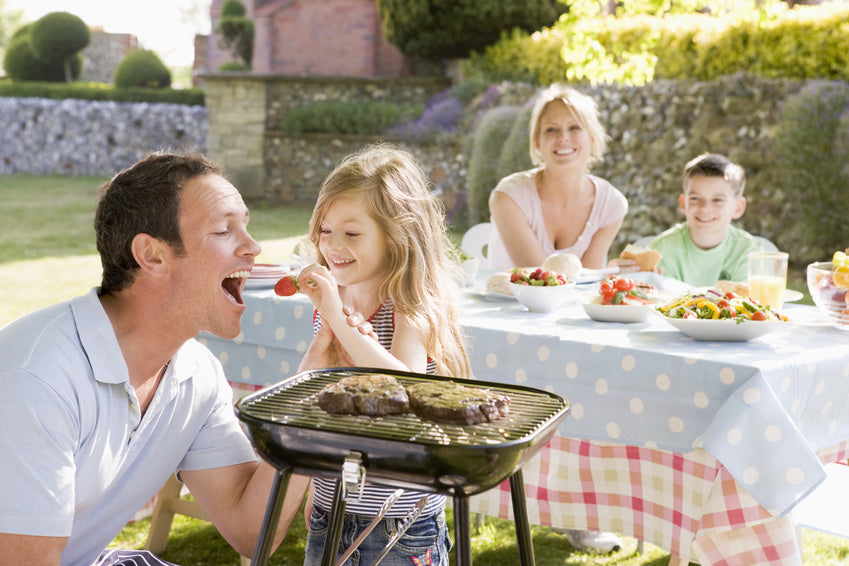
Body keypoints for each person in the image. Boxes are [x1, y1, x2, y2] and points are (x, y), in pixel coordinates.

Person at [0, 151, 373, 566]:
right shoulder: (36, 379)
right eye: (224, 231)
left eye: (245, 227)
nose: (253, 248)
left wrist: (315, 389)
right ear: (153, 256)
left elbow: (253, 531)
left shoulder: (195, 373)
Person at [294, 144, 472, 566]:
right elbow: (326, 404)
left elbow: (406, 385)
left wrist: (336, 317)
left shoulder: (411, 305)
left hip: (400, 521)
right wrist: (315, 487)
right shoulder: (333, 303)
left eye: (352, 233)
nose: (333, 246)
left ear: (396, 236)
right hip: (332, 509)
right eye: (325, 230)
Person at [486, 83, 628, 272]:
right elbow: (541, 282)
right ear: (537, 142)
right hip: (507, 302)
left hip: (574, 302)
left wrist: (613, 274)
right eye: (551, 130)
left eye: (575, 127)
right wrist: (605, 275)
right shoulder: (508, 198)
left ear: (592, 138)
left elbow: (588, 286)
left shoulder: (611, 204)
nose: (563, 137)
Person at [646, 152, 763, 286]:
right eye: (695, 199)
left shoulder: (749, 253)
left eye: (717, 200)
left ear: (738, 207)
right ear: (684, 204)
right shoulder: (661, 250)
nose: (705, 208)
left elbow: (748, 303)